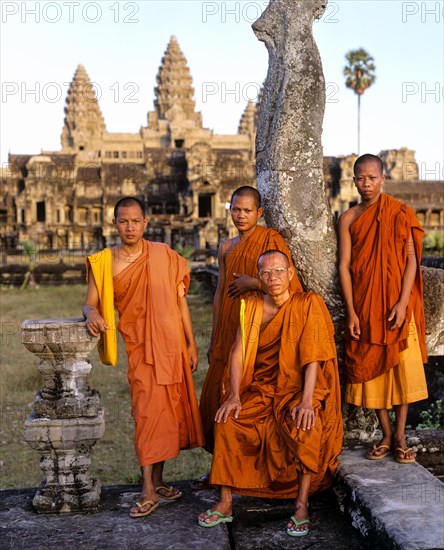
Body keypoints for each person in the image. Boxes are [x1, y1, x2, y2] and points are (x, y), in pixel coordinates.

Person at [198, 250, 342, 537]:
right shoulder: (251, 306)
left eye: (278, 271)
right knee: (227, 421)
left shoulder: (307, 304)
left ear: (290, 274)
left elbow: (313, 357)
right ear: (259, 277)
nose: (273, 278)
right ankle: (226, 503)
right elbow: (238, 354)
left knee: (306, 426)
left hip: (299, 389)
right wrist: (234, 395)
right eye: (266, 273)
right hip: (263, 388)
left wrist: (305, 401)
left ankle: (301, 504)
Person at [83, 196, 204, 518]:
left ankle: (160, 480)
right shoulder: (105, 262)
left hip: (172, 346)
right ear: (114, 224)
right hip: (141, 350)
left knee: (168, 415)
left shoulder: (164, 255)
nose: (130, 227)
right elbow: (89, 303)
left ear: (146, 223)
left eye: (136, 221)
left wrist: (191, 344)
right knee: (149, 416)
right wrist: (90, 314)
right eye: (123, 221)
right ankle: (147, 489)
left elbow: (180, 304)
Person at [198, 186, 303, 464]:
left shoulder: (271, 240)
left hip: (258, 330)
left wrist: (254, 283)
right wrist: (214, 339)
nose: (241, 215)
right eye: (236, 209)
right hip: (229, 331)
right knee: (215, 399)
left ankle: (249, 468)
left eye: (247, 210)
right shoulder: (226, 247)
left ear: (259, 212)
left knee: (249, 401)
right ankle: (221, 469)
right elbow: (221, 292)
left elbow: (288, 285)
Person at [338, 154, 428, 464]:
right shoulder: (349, 218)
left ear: (382, 179)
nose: (366, 183)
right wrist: (351, 311)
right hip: (365, 305)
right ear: (354, 181)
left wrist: (403, 303)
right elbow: (345, 265)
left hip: (397, 306)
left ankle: (401, 435)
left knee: (401, 370)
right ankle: (386, 434)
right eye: (360, 178)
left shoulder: (399, 213)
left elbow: (410, 261)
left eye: (372, 178)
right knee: (372, 368)